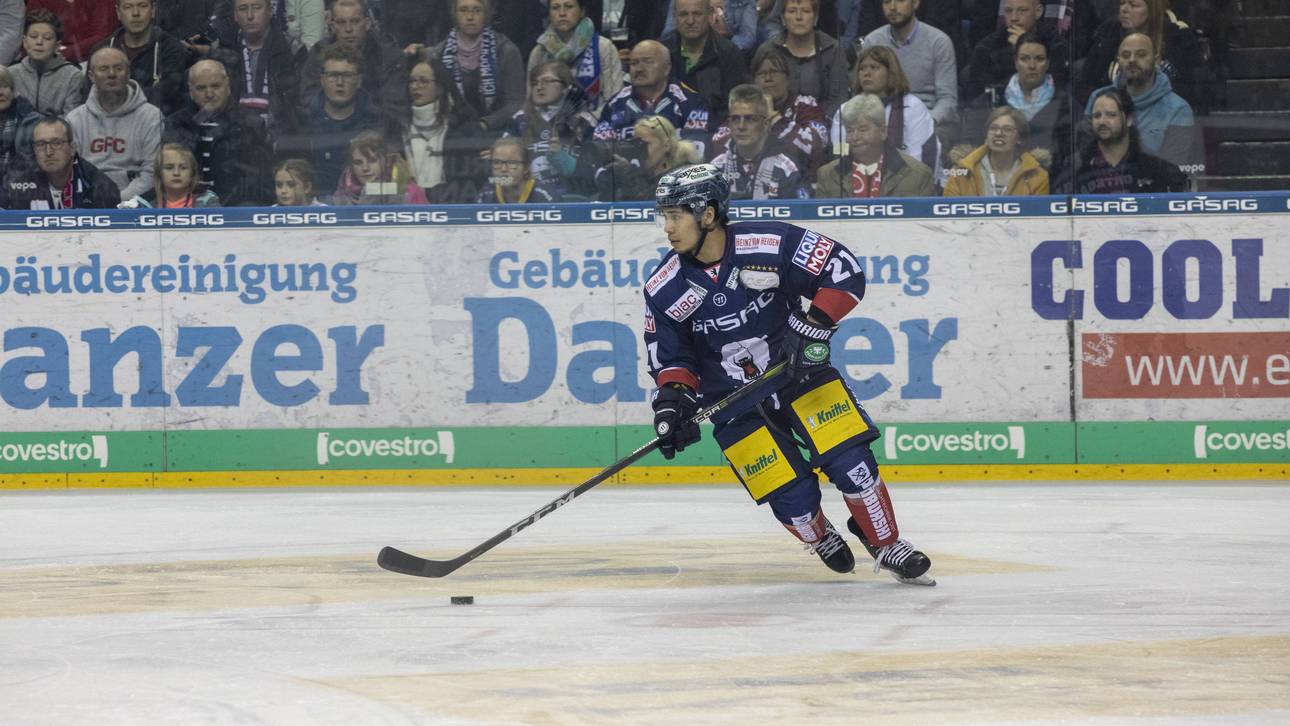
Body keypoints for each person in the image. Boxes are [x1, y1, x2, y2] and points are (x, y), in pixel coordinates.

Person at [644, 162, 935, 583]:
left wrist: (814, 323)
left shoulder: (767, 242)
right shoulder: (663, 287)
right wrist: (673, 406)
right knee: (793, 500)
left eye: (675, 215)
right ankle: (819, 534)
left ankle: (887, 544)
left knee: (851, 463)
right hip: (734, 405)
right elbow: (669, 357)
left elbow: (843, 271)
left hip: (800, 375)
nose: (667, 227)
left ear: (707, 214)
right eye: (664, 216)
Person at [162, 60, 273, 206]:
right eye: (201, 88)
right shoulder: (176, 124)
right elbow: (169, 177)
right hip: (187, 209)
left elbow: (257, 181)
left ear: (227, 86)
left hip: (236, 211)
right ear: (191, 91)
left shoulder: (251, 125)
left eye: (215, 86)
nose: (209, 94)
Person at [828, 45, 940, 184]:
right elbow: (840, 153)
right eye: (862, 68)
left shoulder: (913, 106)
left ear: (891, 72)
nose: (866, 73)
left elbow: (921, 157)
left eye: (874, 68)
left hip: (905, 187)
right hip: (856, 186)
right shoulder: (845, 109)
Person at [1084, 32, 1199, 168]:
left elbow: (1173, 170)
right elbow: (1085, 152)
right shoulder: (1098, 98)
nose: (1132, 60)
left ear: (1157, 60)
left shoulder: (1178, 109)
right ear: (1118, 61)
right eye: (1126, 55)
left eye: (1141, 54)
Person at [710, 44, 827, 176]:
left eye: (774, 72)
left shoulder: (805, 105)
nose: (768, 78)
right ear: (754, 81)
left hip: (798, 179)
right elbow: (718, 144)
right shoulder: (743, 109)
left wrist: (773, 117)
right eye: (761, 74)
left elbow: (816, 146)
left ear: (787, 78)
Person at [414, 0, 526, 134]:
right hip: (450, 133)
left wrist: (485, 124)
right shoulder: (438, 54)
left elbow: (515, 103)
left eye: (477, 10)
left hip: (499, 133)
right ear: (454, 14)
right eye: (463, 10)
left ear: (487, 14)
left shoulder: (507, 51)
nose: (470, 17)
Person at [67, 47, 163, 202]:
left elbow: (152, 172)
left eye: (118, 68)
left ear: (128, 73)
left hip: (135, 206)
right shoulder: (75, 119)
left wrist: (118, 202)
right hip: (86, 203)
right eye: (103, 69)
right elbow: (69, 171)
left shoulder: (151, 116)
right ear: (91, 76)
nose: (111, 74)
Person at [205, 0, 304, 146]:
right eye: (243, 9)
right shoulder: (221, 53)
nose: (250, 16)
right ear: (235, 15)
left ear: (270, 11)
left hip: (282, 139)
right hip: (231, 138)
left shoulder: (292, 51)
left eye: (257, 8)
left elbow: (299, 106)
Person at [298, 0, 407, 124]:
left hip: (375, 130)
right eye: (341, 22)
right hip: (327, 131)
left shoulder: (388, 55)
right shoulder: (318, 53)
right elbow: (309, 101)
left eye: (355, 21)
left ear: (367, 24)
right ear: (332, 26)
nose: (348, 29)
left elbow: (395, 108)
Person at [594, 40, 711, 154]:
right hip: (623, 172)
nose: (639, 69)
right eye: (634, 63)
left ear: (666, 68)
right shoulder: (615, 104)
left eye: (647, 61)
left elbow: (696, 151)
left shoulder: (691, 102)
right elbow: (599, 148)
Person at [1079, 0, 1204, 106]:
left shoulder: (1178, 38)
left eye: (1134, 5)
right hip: (1116, 117)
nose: (1124, 9)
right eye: (1122, 3)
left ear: (1151, 10)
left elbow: (1195, 89)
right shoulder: (1108, 34)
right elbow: (1084, 84)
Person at [506, 61, 602, 198]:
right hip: (530, 200)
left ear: (566, 88)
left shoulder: (584, 121)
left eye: (547, 81)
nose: (539, 87)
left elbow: (596, 172)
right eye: (534, 83)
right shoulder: (519, 120)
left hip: (574, 200)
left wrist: (565, 161)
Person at [398, 56, 484, 203]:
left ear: (440, 86)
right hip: (405, 209)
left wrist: (424, 194)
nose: (415, 86)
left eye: (423, 81)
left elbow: (469, 184)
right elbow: (386, 186)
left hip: (452, 210)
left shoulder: (464, 127)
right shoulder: (398, 128)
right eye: (412, 81)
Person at [1069, 86, 1187, 193]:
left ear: (1129, 120)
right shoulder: (1076, 169)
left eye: (1111, 115)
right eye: (1097, 116)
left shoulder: (1157, 169)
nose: (1102, 122)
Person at [861, 0, 958, 129]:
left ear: (916, 3)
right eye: (887, 2)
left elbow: (948, 100)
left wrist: (927, 122)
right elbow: (864, 95)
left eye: (900, 1)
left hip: (927, 119)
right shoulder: (872, 41)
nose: (893, 7)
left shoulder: (938, 42)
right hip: (883, 121)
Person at [816, 93, 935, 198]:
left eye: (863, 129)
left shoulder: (919, 175)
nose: (855, 137)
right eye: (850, 131)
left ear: (883, 131)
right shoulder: (827, 175)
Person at [303, 44, 381, 198]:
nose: (339, 82)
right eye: (333, 75)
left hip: (362, 205)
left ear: (359, 80)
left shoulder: (377, 121)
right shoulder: (303, 120)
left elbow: (390, 183)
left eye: (347, 75)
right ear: (322, 80)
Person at [710, 83, 810, 199]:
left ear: (766, 124)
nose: (741, 126)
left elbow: (802, 214)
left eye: (750, 119)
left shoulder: (787, 169)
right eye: (735, 119)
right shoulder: (716, 169)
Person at [528, 0, 625, 118]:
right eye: (555, 8)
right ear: (549, 14)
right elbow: (531, 102)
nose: (562, 13)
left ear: (582, 11)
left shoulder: (604, 48)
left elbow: (615, 101)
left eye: (569, 7)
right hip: (547, 127)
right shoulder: (539, 52)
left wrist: (587, 119)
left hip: (596, 126)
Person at [661, 0, 750, 125]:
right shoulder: (662, 52)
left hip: (711, 132)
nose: (690, 21)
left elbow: (733, 107)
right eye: (683, 14)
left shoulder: (729, 54)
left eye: (697, 14)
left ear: (709, 15)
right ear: (675, 17)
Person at [1, 116, 121, 209]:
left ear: (73, 148)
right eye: (41, 144)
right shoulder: (17, 179)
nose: (48, 152)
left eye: (57, 143)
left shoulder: (101, 188)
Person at [93, 0, 189, 115]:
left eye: (142, 6)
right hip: (105, 122)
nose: (135, 13)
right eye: (128, 7)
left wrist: (115, 97)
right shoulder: (101, 51)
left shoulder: (172, 49)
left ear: (153, 10)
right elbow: (89, 93)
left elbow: (167, 96)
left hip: (155, 124)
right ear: (118, 12)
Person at [755, 0, 849, 117]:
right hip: (775, 126)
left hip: (823, 125)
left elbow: (838, 99)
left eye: (805, 11)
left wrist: (820, 125)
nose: (799, 17)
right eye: (792, 11)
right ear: (783, 19)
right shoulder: (767, 50)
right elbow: (758, 96)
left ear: (815, 18)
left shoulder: (833, 50)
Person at [966, 0, 1067, 102]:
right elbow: (977, 100)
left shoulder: (1055, 45)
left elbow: (1054, 91)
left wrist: (1027, 49)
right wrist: (1012, 54)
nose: (1014, 18)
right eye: (1008, 11)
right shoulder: (986, 48)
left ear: (1038, 11)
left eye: (1022, 11)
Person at [942, 105, 1048, 196]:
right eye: (993, 128)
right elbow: (949, 215)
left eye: (1007, 129)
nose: (998, 133)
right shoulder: (961, 171)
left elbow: (1040, 217)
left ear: (1019, 138)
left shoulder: (1037, 176)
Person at [595, 114, 701, 201]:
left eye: (645, 144)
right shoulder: (641, 177)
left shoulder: (682, 180)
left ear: (666, 145)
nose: (640, 150)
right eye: (637, 144)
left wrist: (629, 174)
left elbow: (654, 204)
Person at [8, 9, 87, 115]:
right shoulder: (11, 74)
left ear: (57, 46)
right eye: (33, 36)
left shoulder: (73, 76)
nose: (39, 42)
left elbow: (71, 119)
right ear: (25, 42)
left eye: (47, 38)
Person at [331, 130, 422, 204]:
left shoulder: (409, 191)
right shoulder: (341, 194)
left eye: (372, 161)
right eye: (358, 163)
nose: (365, 168)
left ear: (386, 161)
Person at [119, 143, 221, 207]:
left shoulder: (208, 201)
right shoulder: (143, 203)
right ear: (159, 172)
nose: (176, 173)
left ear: (192, 173)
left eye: (183, 168)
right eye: (169, 167)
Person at [24, 0, 117, 64]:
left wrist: (64, 54)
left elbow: (102, 36)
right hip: (45, 60)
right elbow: (31, 35)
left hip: (90, 60)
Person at [476, 136, 558, 203]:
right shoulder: (486, 195)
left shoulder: (545, 196)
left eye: (511, 163)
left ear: (525, 167)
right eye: (497, 162)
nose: (503, 169)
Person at [661, 0, 760, 54]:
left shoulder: (744, 2)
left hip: (728, 53)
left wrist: (726, 38)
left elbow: (747, 38)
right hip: (685, 51)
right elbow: (668, 34)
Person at [0, 67, 41, 174]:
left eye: (4, 86)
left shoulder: (33, 121)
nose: (0, 92)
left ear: (13, 91)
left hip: (20, 185)